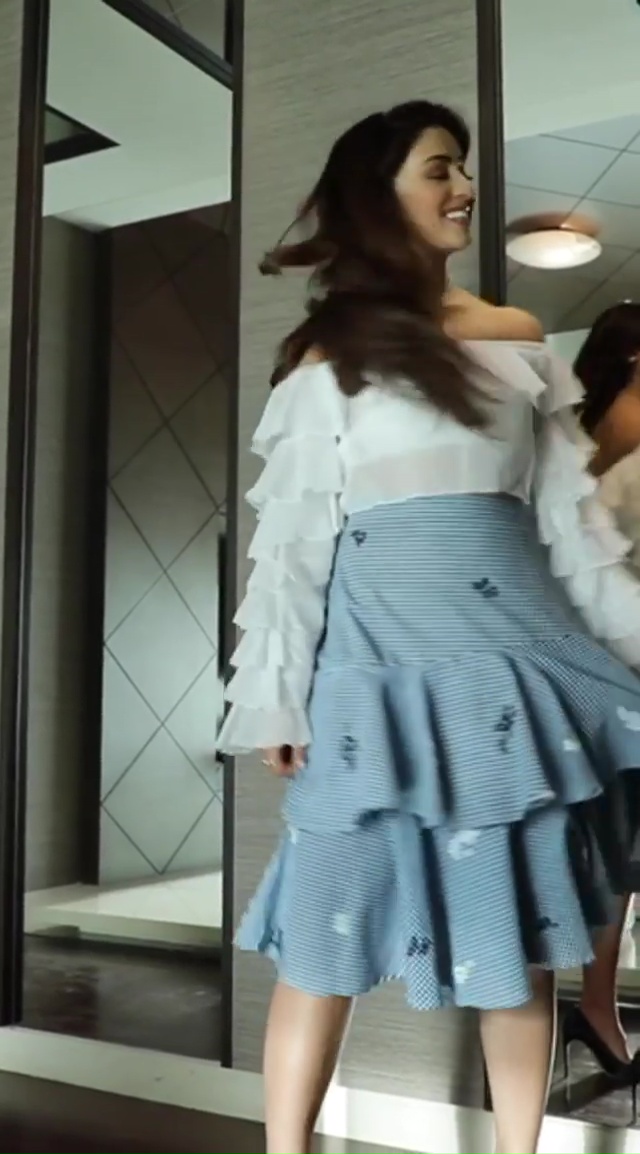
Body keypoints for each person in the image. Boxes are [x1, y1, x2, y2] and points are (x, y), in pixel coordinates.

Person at [217, 101, 640, 1154]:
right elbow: (293, 544)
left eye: (463, 170)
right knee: (319, 944)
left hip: (513, 670)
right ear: (380, 194)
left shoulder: (515, 338)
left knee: (520, 945)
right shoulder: (328, 353)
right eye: (439, 170)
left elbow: (574, 534)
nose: (463, 190)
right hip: (373, 673)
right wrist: (275, 694)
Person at [561, 302, 640, 1075]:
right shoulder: (610, 436)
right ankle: (592, 1006)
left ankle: (597, 1005)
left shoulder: (585, 436)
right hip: (611, 664)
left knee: (617, 849)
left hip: (603, 665)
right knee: (613, 848)